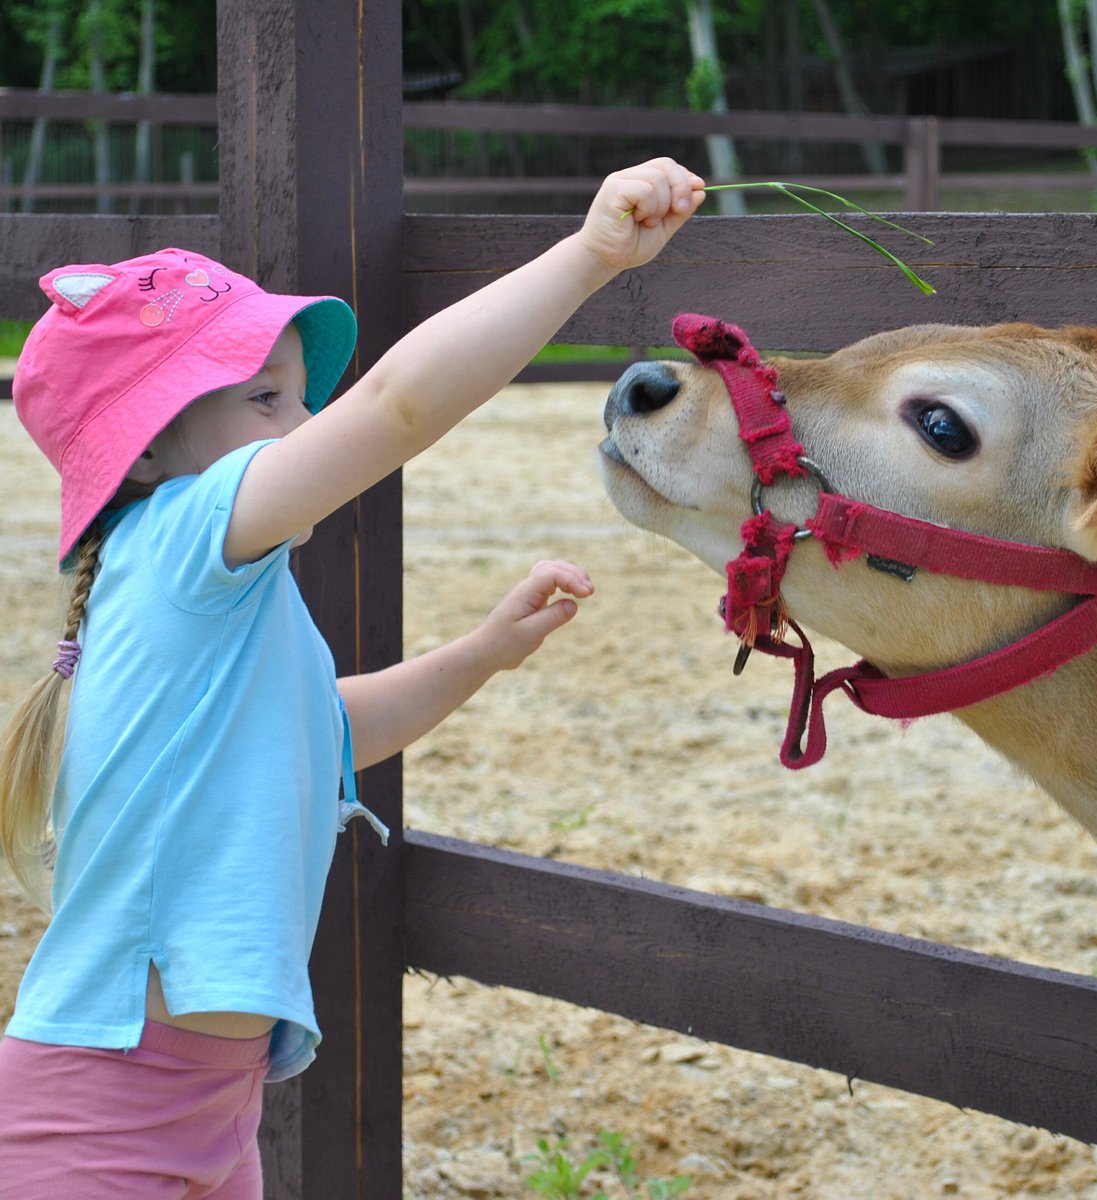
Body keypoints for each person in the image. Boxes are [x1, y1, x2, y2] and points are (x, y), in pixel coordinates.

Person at [0, 157, 705, 1199]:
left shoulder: (203, 605)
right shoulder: (185, 537)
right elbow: (398, 407)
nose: (303, 425)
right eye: (266, 400)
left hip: (204, 1107)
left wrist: (481, 652)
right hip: (102, 1111)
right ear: (148, 453)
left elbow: (323, 731)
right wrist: (588, 257)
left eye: (302, 398)